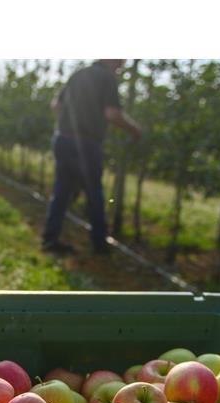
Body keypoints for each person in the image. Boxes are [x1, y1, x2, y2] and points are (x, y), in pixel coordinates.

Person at [41, 59, 142, 257]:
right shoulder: (107, 78)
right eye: (120, 60)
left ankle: (49, 239)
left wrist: (70, 121)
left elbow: (56, 104)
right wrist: (135, 130)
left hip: (62, 139)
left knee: (61, 191)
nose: (122, 65)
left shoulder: (79, 73)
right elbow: (112, 114)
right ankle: (99, 244)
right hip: (87, 144)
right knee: (94, 194)